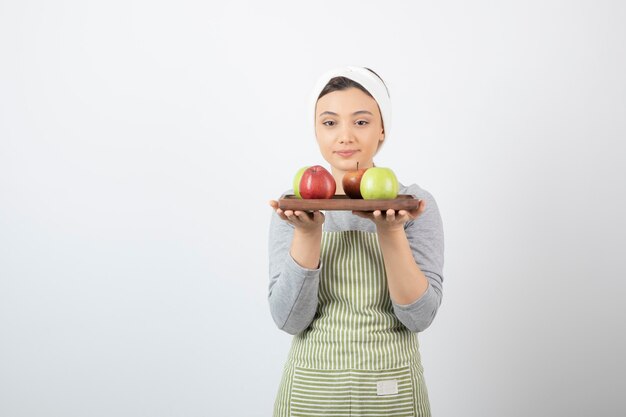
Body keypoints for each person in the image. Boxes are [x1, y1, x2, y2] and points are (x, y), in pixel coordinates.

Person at [267, 66, 444, 417]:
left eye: (360, 122)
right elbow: (289, 320)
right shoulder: (296, 206)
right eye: (330, 122)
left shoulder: (410, 204)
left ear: (382, 129)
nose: (345, 136)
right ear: (316, 130)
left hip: (392, 392)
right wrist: (307, 233)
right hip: (311, 393)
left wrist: (391, 232)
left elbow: (419, 317)